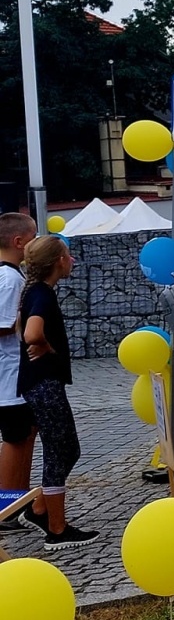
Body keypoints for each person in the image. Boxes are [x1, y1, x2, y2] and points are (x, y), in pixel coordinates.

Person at [16, 234, 95, 547]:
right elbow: (31, 333)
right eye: (67, 255)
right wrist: (45, 344)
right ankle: (57, 529)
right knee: (58, 452)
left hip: (42, 383)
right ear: (57, 262)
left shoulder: (37, 291)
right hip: (44, 384)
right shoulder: (42, 295)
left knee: (66, 450)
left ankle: (40, 509)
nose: (72, 260)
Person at [0, 211, 36, 532]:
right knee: (15, 439)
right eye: (33, 238)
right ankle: (6, 506)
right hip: (9, 377)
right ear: (18, 242)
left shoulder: (11, 276)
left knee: (25, 435)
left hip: (15, 376)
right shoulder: (9, 279)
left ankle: (18, 499)